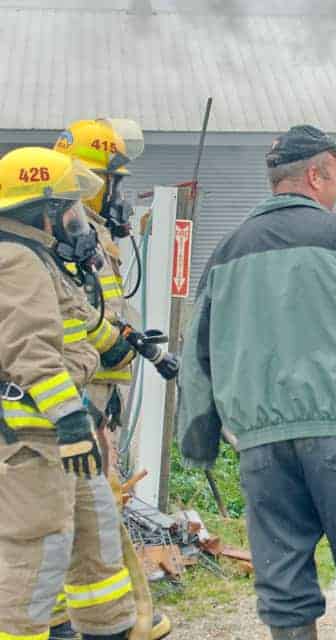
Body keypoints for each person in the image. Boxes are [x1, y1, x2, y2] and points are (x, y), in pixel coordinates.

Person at [177, 125, 336, 640]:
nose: (335, 187)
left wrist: (198, 442)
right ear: (315, 175)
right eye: (335, 176)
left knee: (283, 588)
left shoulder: (227, 251)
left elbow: (195, 352)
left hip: (261, 444)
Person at [0, 147, 138, 640]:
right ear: (44, 209)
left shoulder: (41, 259)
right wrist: (70, 418)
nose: (78, 221)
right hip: (35, 442)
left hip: (62, 440)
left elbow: (78, 329)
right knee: (35, 561)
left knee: (96, 540)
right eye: (70, 208)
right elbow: (31, 351)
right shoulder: (15, 260)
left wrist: (123, 348)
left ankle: (110, 629)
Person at [53, 119, 175, 640]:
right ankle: (97, 622)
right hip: (84, 392)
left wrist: (126, 338)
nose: (118, 196)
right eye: (113, 183)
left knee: (90, 509)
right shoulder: (68, 240)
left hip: (101, 388)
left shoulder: (92, 235)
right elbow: (75, 317)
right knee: (82, 512)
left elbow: (100, 307)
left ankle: (99, 619)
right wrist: (117, 342)